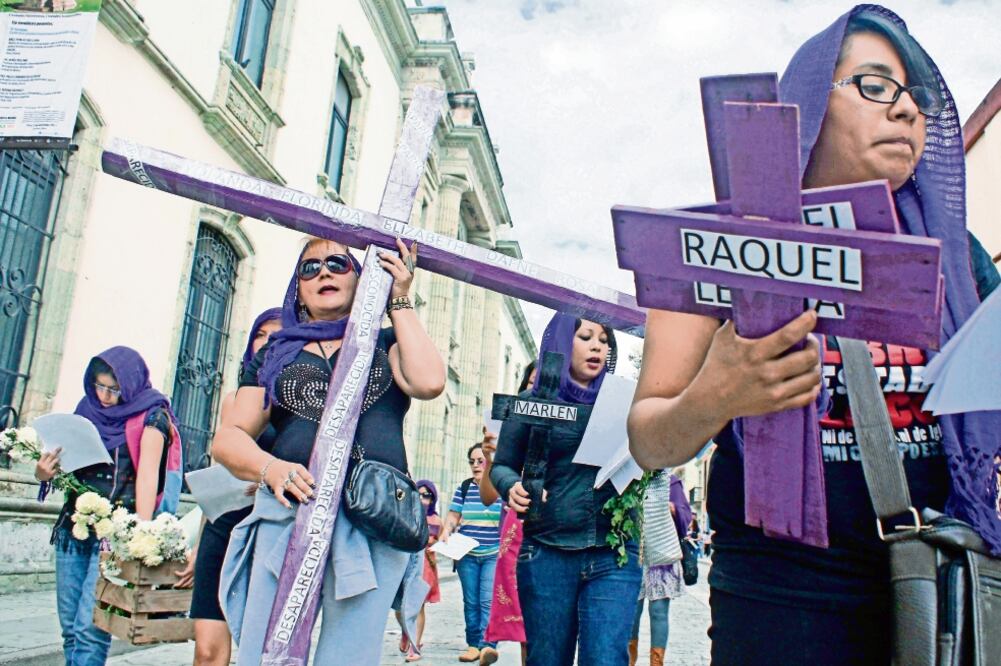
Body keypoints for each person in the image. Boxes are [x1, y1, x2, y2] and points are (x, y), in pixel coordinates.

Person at [627, 6, 1001, 665]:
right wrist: (713, 395)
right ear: (805, 104)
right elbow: (650, 440)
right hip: (780, 592)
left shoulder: (958, 257)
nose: (906, 112)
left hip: (938, 577)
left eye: (917, 97)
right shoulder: (715, 247)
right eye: (875, 86)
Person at [213, 237, 445, 665]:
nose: (324, 272)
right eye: (310, 267)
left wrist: (400, 299)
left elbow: (429, 382)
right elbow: (228, 439)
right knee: (268, 650)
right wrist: (271, 468)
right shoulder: (274, 354)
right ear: (297, 288)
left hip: (372, 518)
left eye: (338, 263)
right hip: (290, 512)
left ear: (360, 278)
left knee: (350, 656)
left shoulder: (388, 342)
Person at [491, 313, 640, 666]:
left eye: (604, 340)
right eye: (586, 336)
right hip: (547, 552)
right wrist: (511, 486)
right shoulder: (531, 400)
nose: (597, 346)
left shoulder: (627, 402)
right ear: (560, 342)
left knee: (606, 658)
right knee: (547, 659)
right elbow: (502, 465)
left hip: (614, 553)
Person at [34, 347, 181, 666]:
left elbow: (147, 477)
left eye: (114, 389)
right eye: (99, 386)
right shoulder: (85, 409)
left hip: (114, 536)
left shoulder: (152, 414)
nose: (104, 396)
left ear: (129, 384)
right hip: (73, 530)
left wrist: (140, 537)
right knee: (70, 626)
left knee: (91, 626)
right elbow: (63, 466)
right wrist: (43, 472)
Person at [182, 307, 282, 666]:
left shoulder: (295, 405)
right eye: (262, 333)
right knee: (207, 649)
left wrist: (266, 475)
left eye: (279, 333)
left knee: (259, 649)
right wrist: (197, 545)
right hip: (224, 526)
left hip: (270, 528)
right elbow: (219, 478)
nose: (269, 341)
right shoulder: (233, 401)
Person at [483, 360, 537, 666]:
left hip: (555, 531)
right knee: (524, 621)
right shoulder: (510, 432)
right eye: (530, 383)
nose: (535, 389)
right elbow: (489, 495)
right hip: (515, 534)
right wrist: (492, 459)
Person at [441, 443, 504, 664]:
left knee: (487, 600)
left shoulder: (498, 488)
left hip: (493, 553)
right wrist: (446, 531)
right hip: (467, 553)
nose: (476, 465)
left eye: (480, 460)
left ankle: (488, 645)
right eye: (472, 461)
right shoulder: (464, 488)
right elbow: (453, 516)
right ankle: (473, 644)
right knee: (471, 601)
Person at [628, 472, 692, 666]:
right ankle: (629, 661)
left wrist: (671, 509)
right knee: (632, 613)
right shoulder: (632, 479)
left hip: (661, 559)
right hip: (635, 556)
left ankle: (657, 663)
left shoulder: (670, 481)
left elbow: (686, 516)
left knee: (658, 612)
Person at [396, 479, 443, 663]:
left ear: (433, 499)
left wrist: (435, 546)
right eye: (420, 494)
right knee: (400, 608)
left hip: (426, 567)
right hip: (405, 564)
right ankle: (406, 631)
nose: (423, 499)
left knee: (419, 605)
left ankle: (415, 646)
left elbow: (441, 540)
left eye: (427, 495)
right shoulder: (406, 514)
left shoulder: (436, 520)